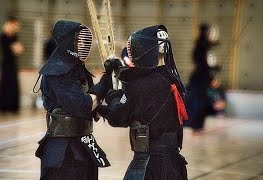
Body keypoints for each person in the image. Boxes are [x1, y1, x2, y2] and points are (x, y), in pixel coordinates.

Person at [99, 25, 188, 180]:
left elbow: (117, 117)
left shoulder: (140, 85)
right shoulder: (172, 80)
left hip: (149, 165)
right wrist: (119, 71)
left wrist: (111, 95)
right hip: (174, 164)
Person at [35, 20, 112, 180]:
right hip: (63, 151)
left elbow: (95, 105)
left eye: (83, 40)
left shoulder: (77, 67)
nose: (82, 44)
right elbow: (82, 105)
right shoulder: (58, 70)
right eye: (77, 40)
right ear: (67, 41)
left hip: (82, 144)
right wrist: (105, 83)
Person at [186, 23, 218, 135]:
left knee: (201, 102)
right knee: (199, 103)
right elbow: (202, 65)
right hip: (200, 78)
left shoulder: (202, 45)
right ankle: (196, 126)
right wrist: (211, 76)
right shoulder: (202, 46)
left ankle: (198, 126)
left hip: (200, 77)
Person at [0, 16, 23, 113]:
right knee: (5, 83)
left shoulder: (14, 36)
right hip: (5, 63)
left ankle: (12, 106)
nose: (17, 27)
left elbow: (19, 49)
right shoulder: (2, 36)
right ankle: (2, 106)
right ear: (9, 24)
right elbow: (10, 50)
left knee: (13, 84)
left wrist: (16, 49)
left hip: (12, 63)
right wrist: (16, 49)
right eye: (15, 25)